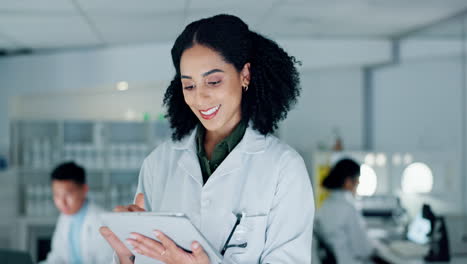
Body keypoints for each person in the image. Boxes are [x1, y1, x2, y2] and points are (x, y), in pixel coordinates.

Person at [99, 14, 315, 264]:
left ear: (245, 74)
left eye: (213, 81)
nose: (200, 99)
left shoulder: (284, 168)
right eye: (189, 86)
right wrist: (127, 256)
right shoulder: (158, 164)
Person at [40, 162, 113, 264]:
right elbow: (57, 256)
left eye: (67, 195)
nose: (62, 202)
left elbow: (108, 260)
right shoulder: (65, 217)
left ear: (84, 190)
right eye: (57, 195)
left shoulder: (101, 220)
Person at [315, 158, 375, 264]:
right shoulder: (348, 208)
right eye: (357, 179)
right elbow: (364, 250)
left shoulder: (326, 204)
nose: (358, 183)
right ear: (348, 182)